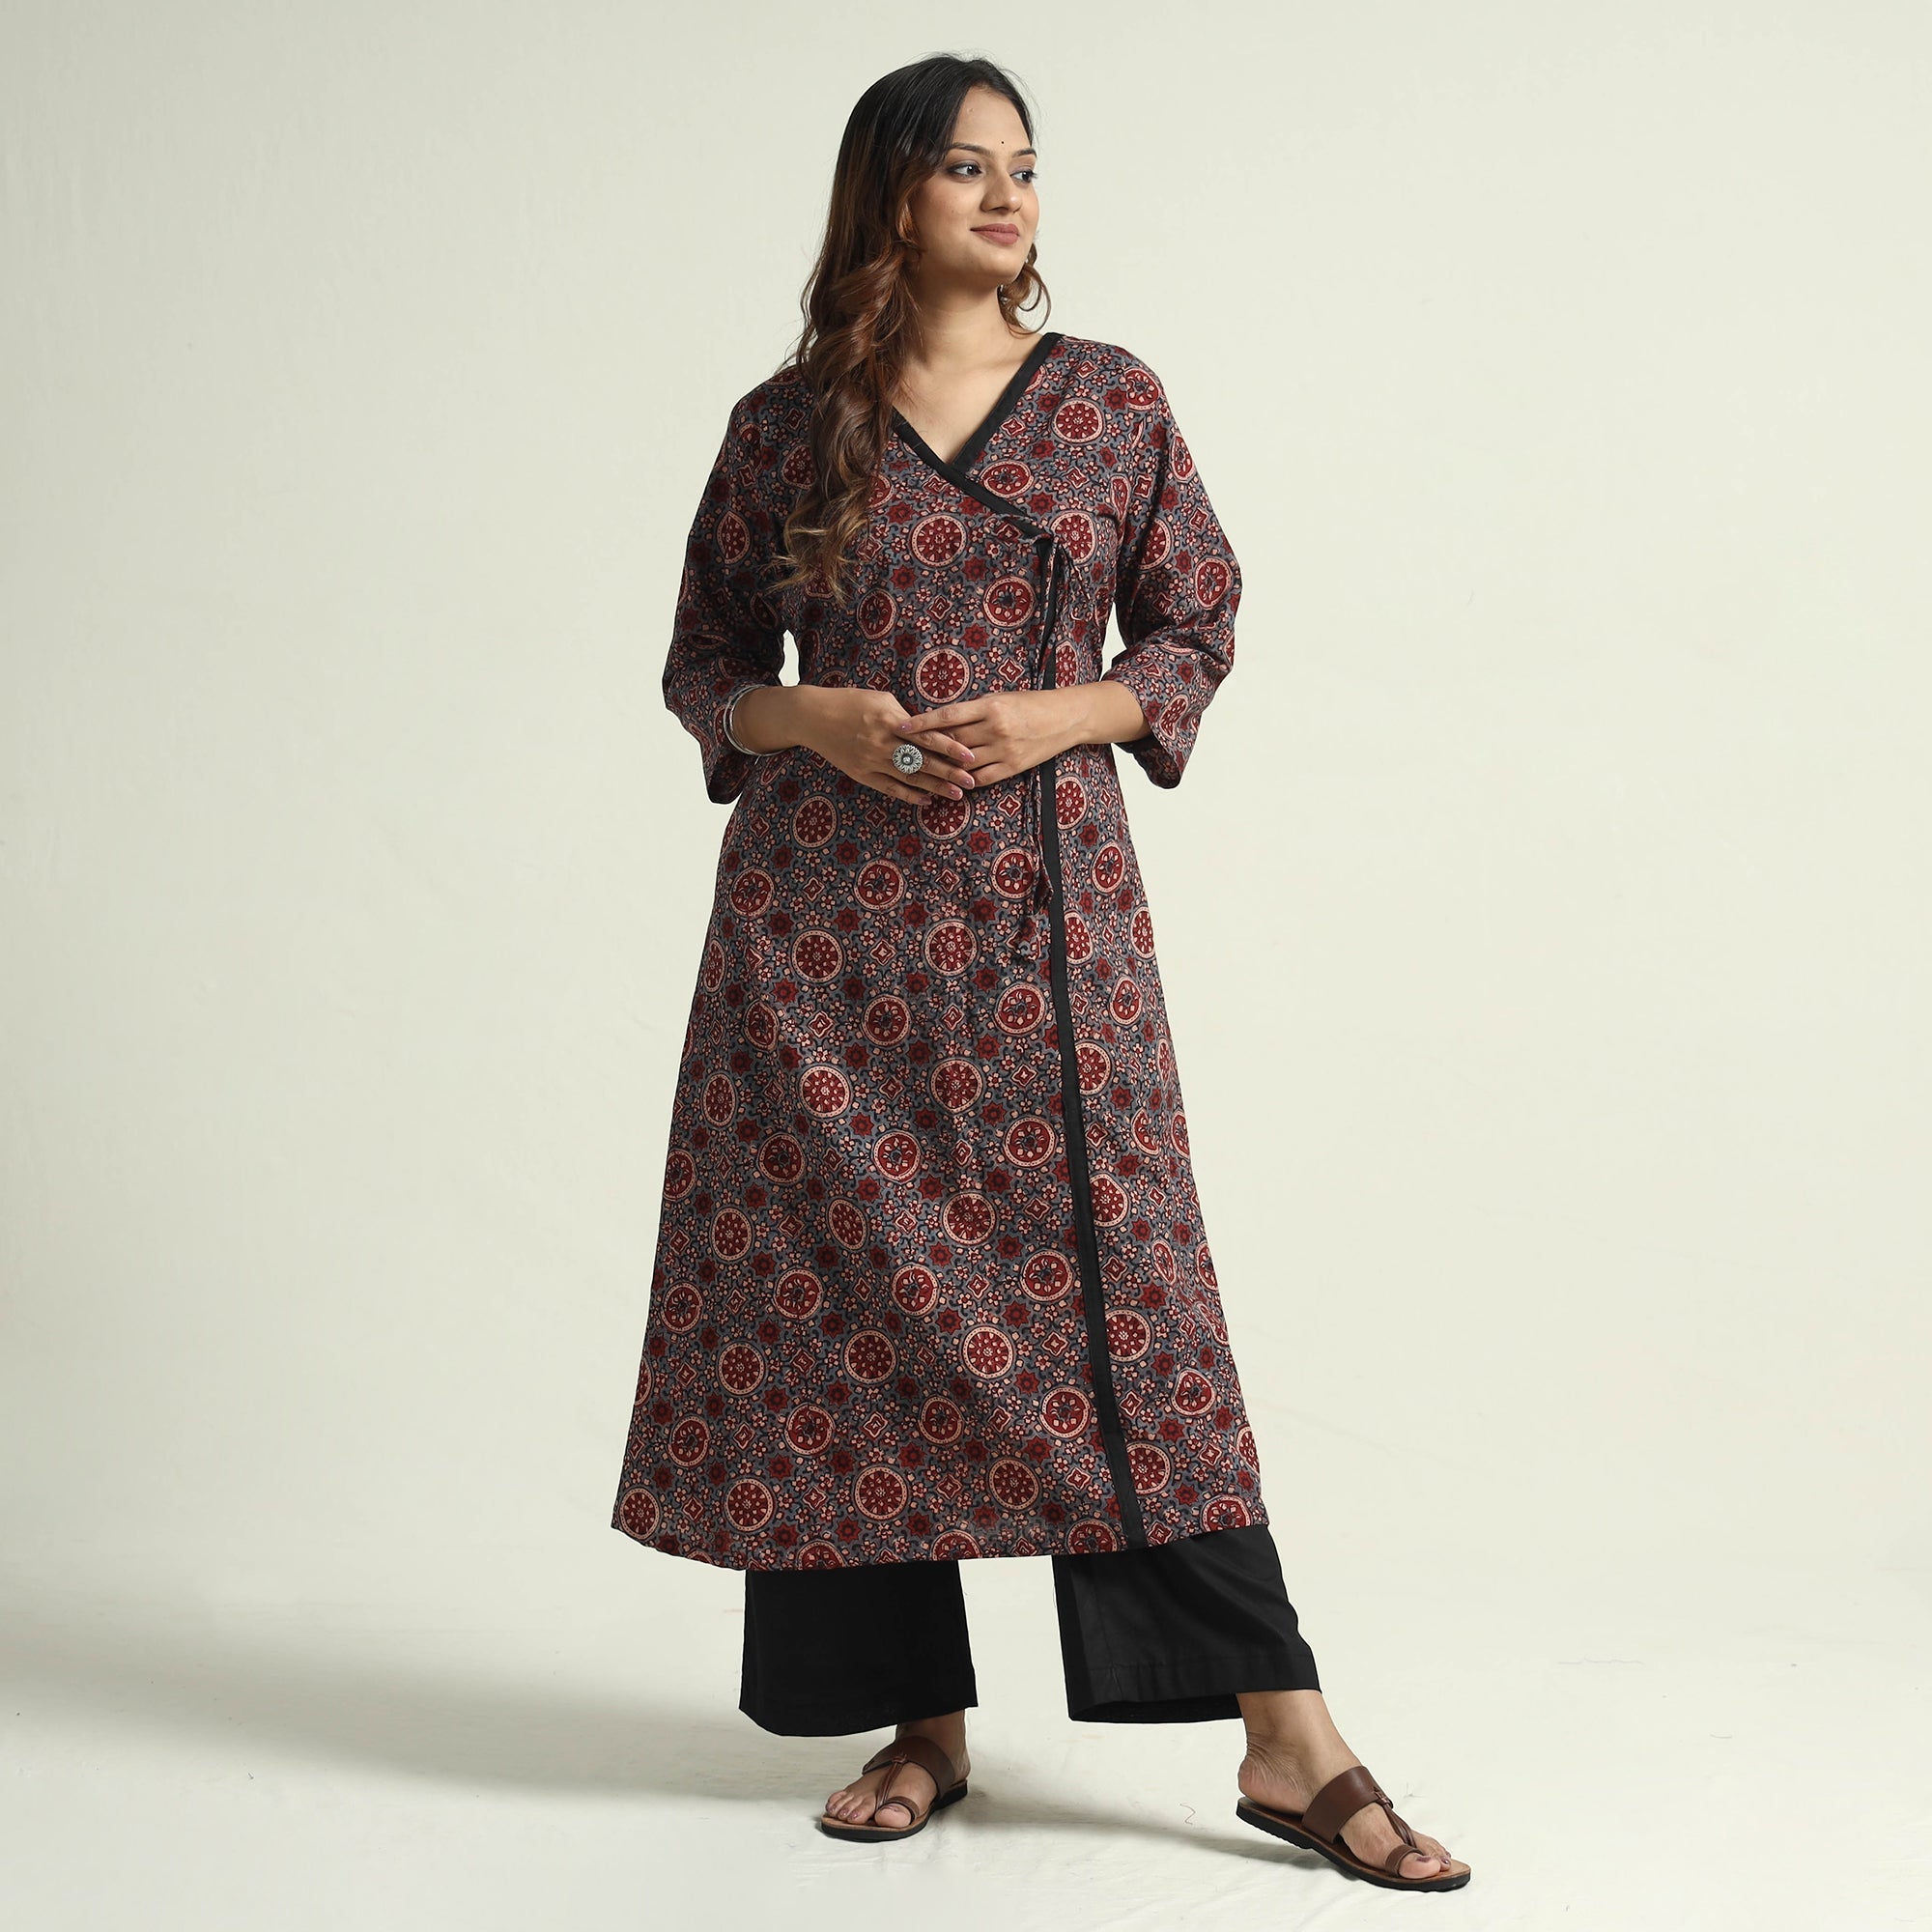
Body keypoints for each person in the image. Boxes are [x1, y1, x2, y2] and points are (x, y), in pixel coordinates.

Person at [612, 54, 1470, 1892]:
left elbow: (1197, 616)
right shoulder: (789, 428)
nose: (1009, 199)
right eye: (966, 169)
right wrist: (815, 719)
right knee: (842, 1314)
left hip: (1045, 930)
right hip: (819, 950)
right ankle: (916, 1720)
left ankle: (1286, 1732)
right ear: (889, 197)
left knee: (1129, 1311)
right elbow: (702, 661)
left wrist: (1064, 713)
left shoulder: (1106, 402)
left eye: (1024, 167)